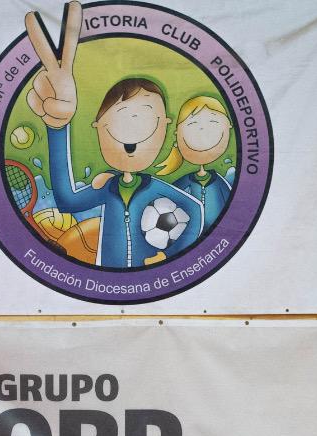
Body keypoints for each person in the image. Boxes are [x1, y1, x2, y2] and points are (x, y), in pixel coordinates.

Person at [26, 3, 203, 269]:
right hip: (109, 283)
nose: (132, 133)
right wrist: (58, 127)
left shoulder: (159, 190)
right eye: (119, 122)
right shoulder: (107, 188)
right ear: (99, 127)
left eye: (144, 121)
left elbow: (195, 213)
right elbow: (66, 199)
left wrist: (171, 256)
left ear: (164, 126)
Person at [158, 96, 234, 231]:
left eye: (213, 123)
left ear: (228, 127)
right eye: (192, 125)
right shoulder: (183, 183)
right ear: (177, 135)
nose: (202, 131)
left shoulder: (221, 184)